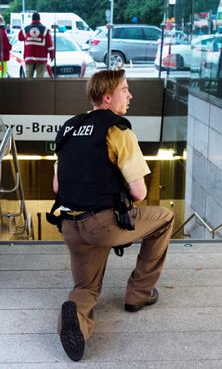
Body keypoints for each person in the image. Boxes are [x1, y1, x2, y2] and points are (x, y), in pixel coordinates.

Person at [52, 69, 174, 361]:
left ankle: (75, 321)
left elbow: (57, 185)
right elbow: (139, 193)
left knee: (86, 288)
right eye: (125, 90)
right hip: (104, 224)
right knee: (164, 219)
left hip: (70, 226)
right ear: (108, 97)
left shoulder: (68, 128)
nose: (129, 95)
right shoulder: (117, 130)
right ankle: (139, 294)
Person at [18, 12, 55, 78]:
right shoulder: (45, 30)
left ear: (32, 19)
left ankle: (30, 88)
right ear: (39, 19)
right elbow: (50, 44)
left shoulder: (26, 29)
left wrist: (23, 29)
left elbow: (20, 38)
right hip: (41, 58)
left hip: (29, 57)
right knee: (39, 78)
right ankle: (38, 88)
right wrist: (52, 54)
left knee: (29, 78)